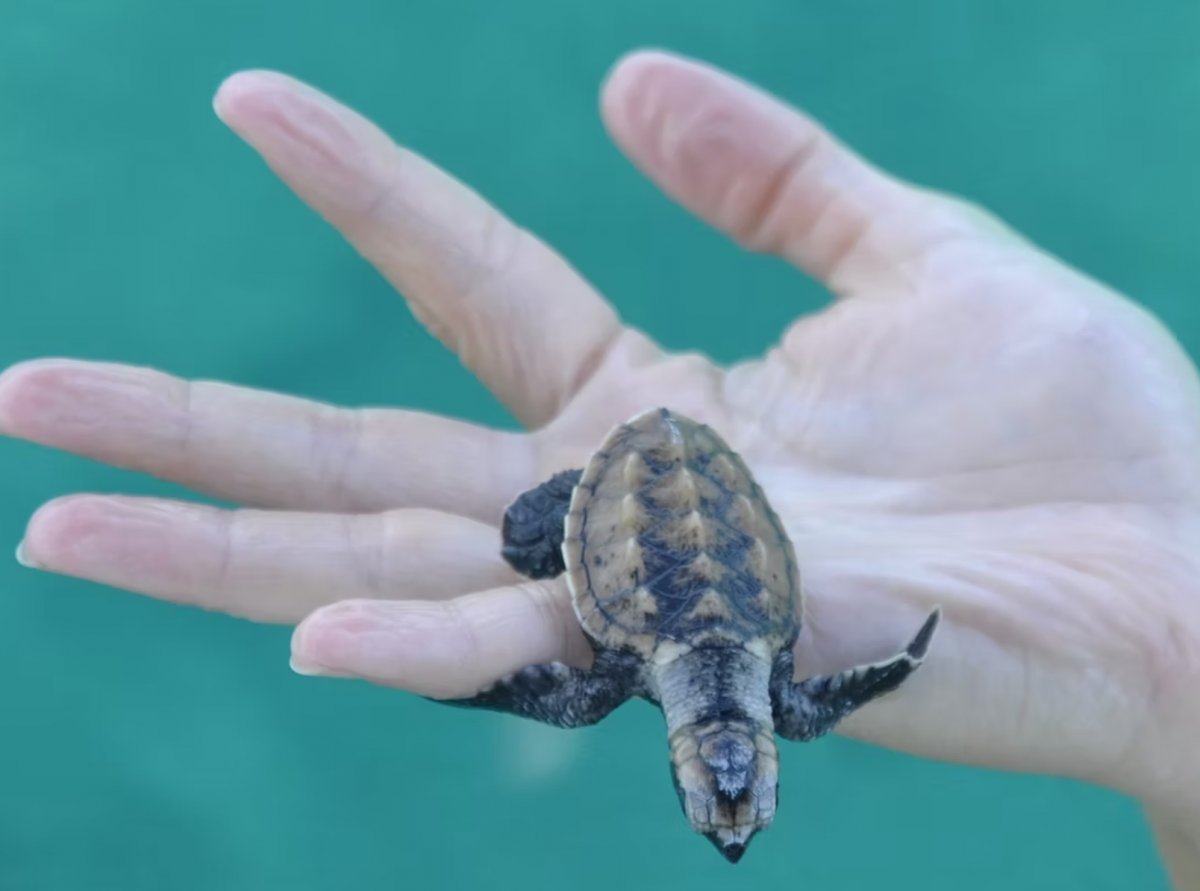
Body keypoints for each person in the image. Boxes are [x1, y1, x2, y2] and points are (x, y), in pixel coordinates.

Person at [1, 49, 1196, 885]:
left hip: (671, 535)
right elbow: (826, 682)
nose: (728, 794)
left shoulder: (746, 679)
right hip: (675, 505)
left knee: (528, 593)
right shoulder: (672, 678)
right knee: (531, 592)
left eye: (717, 793)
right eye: (732, 789)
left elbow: (832, 686)